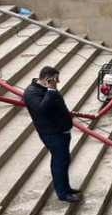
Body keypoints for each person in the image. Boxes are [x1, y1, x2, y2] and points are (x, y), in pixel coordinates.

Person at [23, 65, 81, 203]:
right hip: (52, 134)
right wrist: (51, 90)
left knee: (64, 160)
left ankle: (66, 188)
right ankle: (62, 193)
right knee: (59, 162)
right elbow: (42, 110)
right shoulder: (32, 93)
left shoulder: (46, 89)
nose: (58, 81)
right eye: (56, 79)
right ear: (48, 79)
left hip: (62, 130)